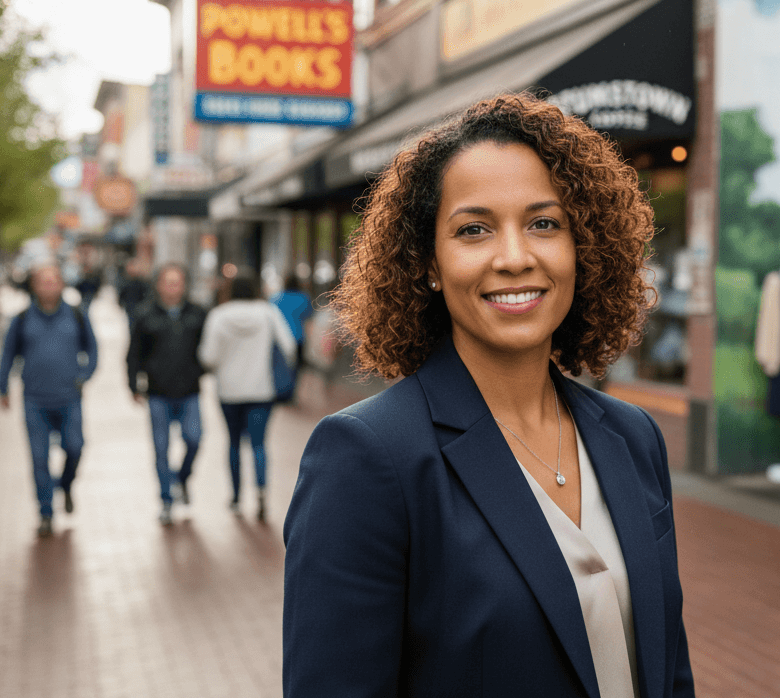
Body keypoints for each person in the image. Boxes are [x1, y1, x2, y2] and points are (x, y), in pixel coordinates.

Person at [283, 94, 694, 698]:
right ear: (427, 262)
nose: (514, 257)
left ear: (583, 246)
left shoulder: (632, 437)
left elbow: (669, 670)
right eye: (474, 230)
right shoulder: (367, 459)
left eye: (544, 223)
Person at [0, 264, 99, 537]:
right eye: (43, 282)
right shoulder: (21, 319)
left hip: (69, 398)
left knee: (75, 447)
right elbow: (7, 354)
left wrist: (84, 374)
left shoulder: (77, 315)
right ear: (34, 286)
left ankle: (65, 485)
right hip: (35, 401)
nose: (49, 287)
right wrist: (2, 387)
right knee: (39, 458)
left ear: (62, 284)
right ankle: (45, 511)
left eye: (54, 281)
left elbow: (92, 347)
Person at [199, 272, 296, 521]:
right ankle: (262, 494)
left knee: (232, 442)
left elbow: (208, 357)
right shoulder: (267, 313)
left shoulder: (218, 315)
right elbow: (289, 346)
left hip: (228, 391)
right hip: (261, 390)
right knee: (259, 444)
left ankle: (235, 497)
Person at [127, 264, 208, 525]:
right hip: (158, 393)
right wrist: (133, 385)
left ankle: (182, 479)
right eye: (168, 282)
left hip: (189, 391)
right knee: (161, 450)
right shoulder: (144, 314)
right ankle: (165, 500)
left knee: (194, 439)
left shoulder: (198, 313)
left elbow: (209, 347)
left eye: (177, 282)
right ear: (158, 285)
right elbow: (133, 353)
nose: (173, 287)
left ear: (184, 285)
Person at [270, 273, 313, 402]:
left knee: (279, 365)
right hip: (298, 337)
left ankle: (279, 390)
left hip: (279, 338)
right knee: (296, 367)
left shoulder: (276, 298)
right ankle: (291, 393)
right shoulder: (304, 298)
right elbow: (309, 315)